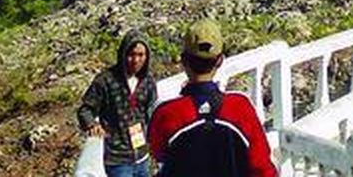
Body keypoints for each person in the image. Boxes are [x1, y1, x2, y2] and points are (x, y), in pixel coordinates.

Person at [148, 19, 276, 177]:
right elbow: (262, 167)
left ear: (183, 60)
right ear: (220, 60)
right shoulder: (240, 108)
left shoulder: (166, 113)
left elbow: (159, 154)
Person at [77, 31, 158, 177]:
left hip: (142, 157)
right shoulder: (105, 81)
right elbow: (85, 109)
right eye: (131, 54)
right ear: (122, 54)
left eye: (141, 55)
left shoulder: (148, 81)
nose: (136, 60)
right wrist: (92, 125)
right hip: (117, 160)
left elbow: (151, 111)